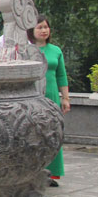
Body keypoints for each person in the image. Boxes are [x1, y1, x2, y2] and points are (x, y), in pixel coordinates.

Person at [29, 15, 69, 186]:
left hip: (52, 95)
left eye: (46, 27)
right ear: (31, 31)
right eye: (39, 27)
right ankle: (33, 172)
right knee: (33, 134)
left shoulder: (56, 50)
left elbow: (61, 75)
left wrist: (65, 98)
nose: (43, 30)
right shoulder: (27, 50)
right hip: (33, 95)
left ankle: (52, 172)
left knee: (53, 134)